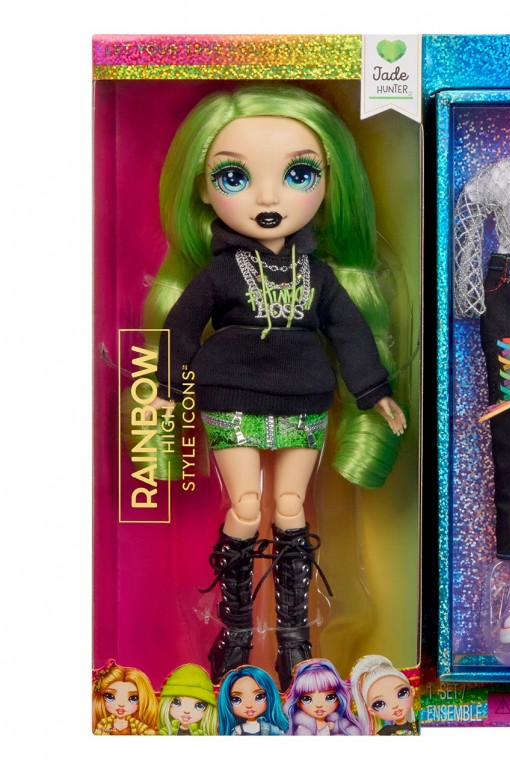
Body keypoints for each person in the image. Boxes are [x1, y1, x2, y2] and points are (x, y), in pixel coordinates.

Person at [145, 85, 406, 688]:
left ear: (329, 184)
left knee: (290, 507)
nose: (268, 197)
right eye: (235, 177)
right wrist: (165, 385)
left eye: (298, 174)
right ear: (203, 189)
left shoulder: (319, 276)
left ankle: (294, 637)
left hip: (304, 398)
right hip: (230, 396)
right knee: (245, 506)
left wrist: (373, 392)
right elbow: (181, 324)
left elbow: (350, 331)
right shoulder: (220, 273)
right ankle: (236, 629)